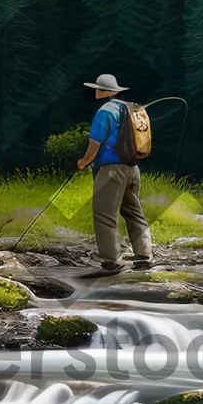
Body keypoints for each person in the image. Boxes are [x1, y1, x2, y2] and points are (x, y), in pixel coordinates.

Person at [77, 73, 152, 272]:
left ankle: (111, 260)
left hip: (111, 170)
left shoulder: (105, 111)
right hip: (132, 168)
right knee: (134, 212)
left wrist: (84, 162)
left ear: (103, 91)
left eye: (97, 88)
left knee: (104, 215)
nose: (95, 91)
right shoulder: (131, 108)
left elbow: (95, 144)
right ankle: (144, 254)